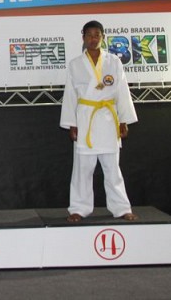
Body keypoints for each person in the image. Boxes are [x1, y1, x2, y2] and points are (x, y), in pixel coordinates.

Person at [60, 20, 137, 222]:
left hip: (108, 118)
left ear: (103, 37)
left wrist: (124, 120)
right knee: (82, 169)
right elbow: (70, 96)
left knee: (112, 168)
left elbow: (122, 91)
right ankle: (79, 208)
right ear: (83, 37)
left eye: (97, 35)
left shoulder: (114, 62)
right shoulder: (75, 64)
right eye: (89, 35)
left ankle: (121, 207)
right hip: (86, 119)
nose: (93, 39)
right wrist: (71, 123)